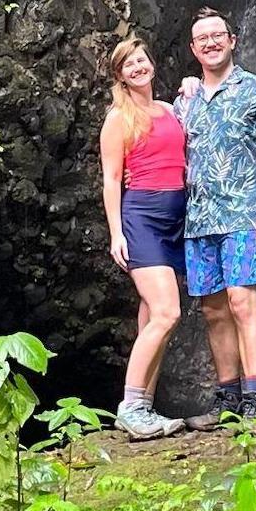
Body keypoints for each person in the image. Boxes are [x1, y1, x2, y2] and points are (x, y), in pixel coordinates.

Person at [174, 7, 256, 422]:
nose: (210, 42)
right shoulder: (184, 104)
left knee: (243, 302)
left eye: (217, 35)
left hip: (244, 215)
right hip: (199, 219)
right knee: (214, 310)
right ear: (193, 48)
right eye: (202, 37)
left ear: (232, 40)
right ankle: (227, 401)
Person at [99, 36, 188, 440]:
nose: (137, 67)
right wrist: (117, 233)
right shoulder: (119, 118)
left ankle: (145, 406)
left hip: (176, 217)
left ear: (151, 63)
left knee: (152, 316)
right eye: (127, 64)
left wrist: (191, 85)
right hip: (142, 216)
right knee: (168, 312)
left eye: (141, 60)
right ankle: (130, 407)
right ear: (120, 75)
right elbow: (112, 178)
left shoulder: (170, 110)